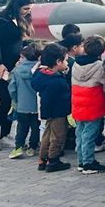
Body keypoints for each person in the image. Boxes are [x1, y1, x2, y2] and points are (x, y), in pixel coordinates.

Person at [0, 0, 34, 152]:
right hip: (2, 69)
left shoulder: (19, 20)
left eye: (29, 9)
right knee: (5, 102)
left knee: (13, 104)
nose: (28, 11)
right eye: (25, 8)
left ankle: (4, 135)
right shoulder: (0, 21)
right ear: (17, 5)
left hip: (16, 68)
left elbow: (19, 43)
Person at [71, 36, 105, 175]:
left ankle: (81, 161)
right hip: (93, 103)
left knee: (80, 133)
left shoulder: (75, 64)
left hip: (78, 103)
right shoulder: (99, 66)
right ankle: (88, 163)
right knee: (89, 134)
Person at [31, 43, 72, 173]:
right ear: (58, 62)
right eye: (65, 60)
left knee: (47, 134)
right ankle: (53, 160)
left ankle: (42, 159)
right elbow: (64, 95)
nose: (67, 63)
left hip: (47, 111)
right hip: (58, 112)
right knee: (58, 136)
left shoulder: (41, 75)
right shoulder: (56, 81)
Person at [7, 42, 42, 159]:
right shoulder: (39, 70)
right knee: (35, 127)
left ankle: (18, 147)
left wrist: (16, 100)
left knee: (22, 127)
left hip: (22, 105)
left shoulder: (17, 71)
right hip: (36, 106)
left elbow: (12, 87)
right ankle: (32, 147)